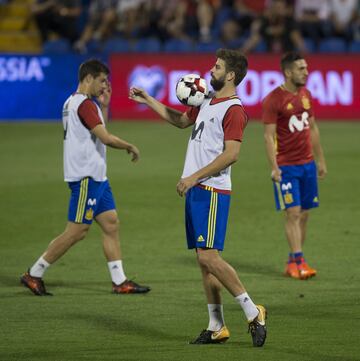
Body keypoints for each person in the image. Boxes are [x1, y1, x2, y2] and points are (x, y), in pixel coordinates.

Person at [129, 49, 267, 347]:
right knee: (203, 262)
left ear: (230, 75)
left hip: (213, 191)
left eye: (217, 67)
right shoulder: (206, 100)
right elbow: (181, 121)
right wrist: (148, 100)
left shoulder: (234, 109)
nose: (211, 70)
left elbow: (232, 154)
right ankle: (216, 326)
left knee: (209, 257)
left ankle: (253, 310)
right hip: (196, 191)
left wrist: (194, 176)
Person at [20, 59, 150, 296]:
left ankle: (119, 281)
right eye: (101, 81)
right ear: (88, 78)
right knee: (77, 230)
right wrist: (129, 145)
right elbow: (107, 138)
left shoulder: (73, 102)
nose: (104, 86)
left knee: (111, 223)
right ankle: (34, 273)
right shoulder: (85, 105)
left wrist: (105, 106)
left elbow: (100, 132)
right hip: (86, 177)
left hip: (97, 177)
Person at [262, 52, 327, 280]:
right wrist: (274, 167)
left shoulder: (306, 94)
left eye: (306, 67)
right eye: (301, 68)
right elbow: (268, 137)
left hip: (307, 165)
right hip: (287, 166)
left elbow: (313, 128)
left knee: (304, 214)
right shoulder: (273, 100)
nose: (306, 72)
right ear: (288, 72)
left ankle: (293, 260)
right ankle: (300, 261)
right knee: (293, 213)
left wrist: (320, 160)